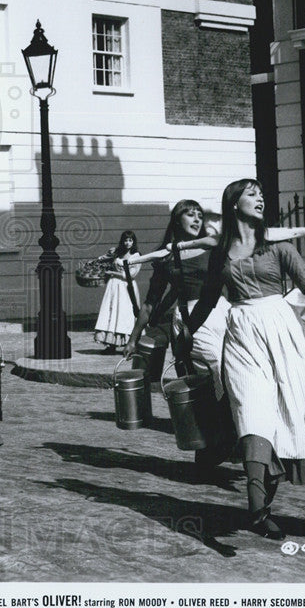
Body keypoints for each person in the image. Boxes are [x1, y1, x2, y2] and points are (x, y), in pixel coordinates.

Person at [182, 179, 305, 539]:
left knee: (283, 419)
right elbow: (206, 300)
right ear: (234, 203)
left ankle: (261, 502)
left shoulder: (280, 249)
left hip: (284, 334)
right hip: (240, 337)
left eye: (261, 193)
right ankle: (255, 508)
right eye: (252, 193)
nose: (260, 198)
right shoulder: (219, 255)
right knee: (251, 410)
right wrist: (186, 333)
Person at [122, 200, 235, 468]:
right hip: (190, 322)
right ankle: (215, 443)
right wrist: (133, 338)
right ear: (176, 221)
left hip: (221, 314)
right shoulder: (166, 257)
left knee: (234, 373)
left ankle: (226, 441)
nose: (197, 219)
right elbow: (150, 303)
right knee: (212, 376)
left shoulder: (212, 247)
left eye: (199, 215)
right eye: (189, 215)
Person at [93, 230, 142, 351]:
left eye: (130, 240)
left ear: (133, 242)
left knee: (125, 313)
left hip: (126, 287)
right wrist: (106, 256)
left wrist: (113, 272)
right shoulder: (117, 253)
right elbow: (102, 260)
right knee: (112, 312)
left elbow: (131, 275)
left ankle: (130, 343)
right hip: (114, 286)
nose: (127, 243)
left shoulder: (136, 256)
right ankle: (111, 344)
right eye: (125, 240)